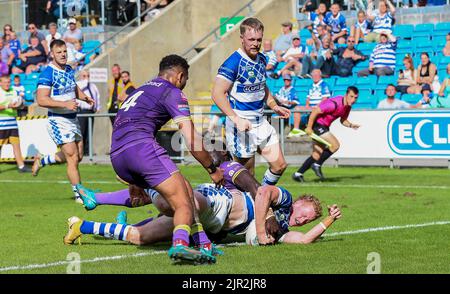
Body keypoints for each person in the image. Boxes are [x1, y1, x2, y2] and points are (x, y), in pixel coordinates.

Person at [77, 54, 224, 264]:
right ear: (180, 76)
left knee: (185, 188)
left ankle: (203, 243)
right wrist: (212, 169)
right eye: (186, 81)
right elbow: (192, 140)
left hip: (117, 154)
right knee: (183, 203)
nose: (184, 86)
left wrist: (135, 181)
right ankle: (181, 245)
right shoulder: (171, 92)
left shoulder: (140, 90)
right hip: (141, 148)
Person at [66, 149, 342, 246]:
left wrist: (328, 220)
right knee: (169, 202)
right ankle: (143, 182)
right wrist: (260, 226)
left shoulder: (281, 231)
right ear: (299, 202)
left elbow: (304, 240)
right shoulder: (283, 199)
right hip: (215, 202)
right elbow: (263, 193)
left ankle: (82, 226)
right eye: (308, 211)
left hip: (207, 225)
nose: (306, 217)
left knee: (143, 237)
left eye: (310, 218)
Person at [211, 18, 290, 185]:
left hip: (261, 122)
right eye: (251, 40)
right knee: (247, 177)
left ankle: (262, 197)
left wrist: (274, 105)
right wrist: (236, 119)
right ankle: (246, 205)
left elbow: (262, 86)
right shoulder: (233, 62)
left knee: (279, 165)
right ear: (242, 38)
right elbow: (217, 93)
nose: (256, 43)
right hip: (241, 124)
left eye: (259, 40)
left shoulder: (261, 59)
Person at [32, 39, 95, 203]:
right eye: (59, 52)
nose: (62, 55)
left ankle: (43, 160)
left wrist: (85, 98)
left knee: (79, 155)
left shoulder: (68, 69)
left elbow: (73, 87)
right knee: (73, 157)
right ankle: (79, 195)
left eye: (64, 51)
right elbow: (41, 100)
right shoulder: (47, 73)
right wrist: (64, 104)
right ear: (52, 54)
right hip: (58, 120)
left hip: (72, 118)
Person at [293, 86, 360, 182]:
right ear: (346, 95)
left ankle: (297, 174)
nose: (353, 100)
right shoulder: (334, 104)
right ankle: (317, 165)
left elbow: (343, 120)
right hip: (317, 125)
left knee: (316, 155)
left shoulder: (347, 107)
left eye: (355, 98)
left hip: (323, 126)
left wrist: (350, 125)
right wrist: (309, 127)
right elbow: (315, 111)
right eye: (351, 96)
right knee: (335, 145)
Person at [0, 75, 31, 172]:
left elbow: (19, 105)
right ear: (0, 83)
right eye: (5, 82)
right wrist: (7, 106)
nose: (7, 84)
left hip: (13, 122)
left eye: (9, 82)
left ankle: (21, 166)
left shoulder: (14, 91)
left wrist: (20, 105)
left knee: (16, 144)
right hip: (1, 123)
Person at [288, 69, 331, 138]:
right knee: (297, 109)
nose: (315, 76)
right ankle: (296, 130)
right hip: (311, 107)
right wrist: (307, 106)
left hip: (320, 108)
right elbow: (308, 98)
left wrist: (317, 106)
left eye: (316, 75)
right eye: (313, 75)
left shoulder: (324, 85)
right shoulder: (311, 85)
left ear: (320, 76)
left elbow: (325, 99)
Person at [76, 70, 100, 156]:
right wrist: (85, 80)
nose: (87, 78)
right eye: (85, 76)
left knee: (89, 131)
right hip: (82, 111)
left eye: (88, 76)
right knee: (82, 131)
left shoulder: (93, 85)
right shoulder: (78, 84)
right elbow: (81, 88)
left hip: (91, 111)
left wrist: (97, 106)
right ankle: (80, 151)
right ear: (81, 76)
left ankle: (87, 151)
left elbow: (96, 95)